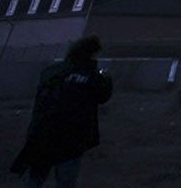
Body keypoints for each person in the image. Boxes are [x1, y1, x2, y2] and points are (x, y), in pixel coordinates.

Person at [11, 35, 113, 187]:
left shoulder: (53, 72)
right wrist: (107, 79)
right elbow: (102, 95)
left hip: (42, 131)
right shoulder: (89, 75)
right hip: (71, 136)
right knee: (66, 180)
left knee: (35, 176)